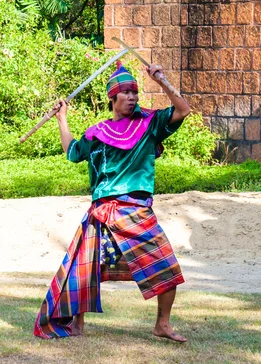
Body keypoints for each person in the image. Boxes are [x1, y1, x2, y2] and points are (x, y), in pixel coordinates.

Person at [33, 61, 190, 342]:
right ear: (113, 98)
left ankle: (162, 324)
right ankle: (76, 324)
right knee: (85, 267)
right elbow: (72, 151)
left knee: (166, 265)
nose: (132, 97)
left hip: (136, 209)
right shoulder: (97, 132)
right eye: (126, 93)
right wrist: (62, 119)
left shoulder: (150, 123)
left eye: (135, 93)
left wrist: (162, 80)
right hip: (103, 210)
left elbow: (183, 110)